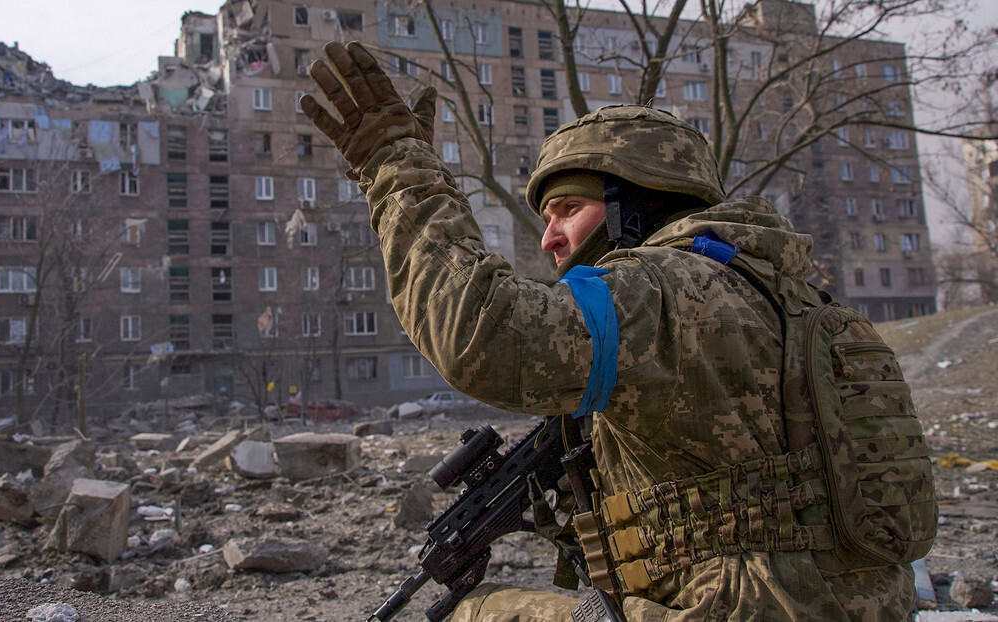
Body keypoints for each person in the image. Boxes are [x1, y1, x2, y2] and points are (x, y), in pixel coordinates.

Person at [301, 41, 921, 621]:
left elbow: (482, 336)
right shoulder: (789, 294)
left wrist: (397, 168)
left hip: (734, 606)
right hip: (851, 603)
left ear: (640, 203)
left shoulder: (661, 288)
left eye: (568, 210)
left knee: (473, 612)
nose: (549, 238)